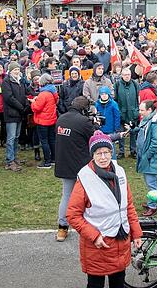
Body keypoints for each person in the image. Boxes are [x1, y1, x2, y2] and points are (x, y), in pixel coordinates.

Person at [66, 131, 143, 288]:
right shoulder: (85, 178)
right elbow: (73, 215)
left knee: (118, 284)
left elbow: (127, 206)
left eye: (106, 152)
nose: (103, 157)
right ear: (92, 155)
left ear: (111, 152)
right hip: (98, 245)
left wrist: (136, 233)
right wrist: (94, 237)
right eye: (98, 153)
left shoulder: (120, 172)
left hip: (120, 242)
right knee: (95, 285)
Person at [54, 96, 98, 242]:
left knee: (66, 196)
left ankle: (62, 228)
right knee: (89, 195)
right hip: (81, 166)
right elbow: (93, 138)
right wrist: (95, 126)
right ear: (84, 109)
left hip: (64, 163)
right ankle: (90, 225)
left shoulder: (61, 119)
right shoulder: (83, 121)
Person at [135, 100, 157, 217]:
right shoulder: (148, 120)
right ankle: (155, 201)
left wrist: (147, 155)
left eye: (142, 110)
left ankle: (152, 207)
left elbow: (156, 142)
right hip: (150, 159)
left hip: (153, 159)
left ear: (149, 110)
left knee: (152, 183)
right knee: (153, 181)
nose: (140, 112)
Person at [1, 61, 28, 171]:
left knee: (17, 136)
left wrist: (26, 104)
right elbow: (9, 98)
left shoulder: (20, 81)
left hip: (19, 113)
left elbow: (24, 94)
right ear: (10, 71)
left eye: (18, 69)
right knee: (11, 138)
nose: (17, 71)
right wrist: (21, 107)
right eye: (15, 70)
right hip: (11, 113)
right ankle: (9, 160)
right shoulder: (6, 82)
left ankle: (14, 157)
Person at [32, 73, 59, 169]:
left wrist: (33, 102)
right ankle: (53, 159)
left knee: (44, 141)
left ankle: (47, 162)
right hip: (52, 120)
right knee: (52, 139)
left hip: (43, 121)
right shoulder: (53, 91)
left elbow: (36, 108)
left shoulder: (43, 94)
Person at [114, 67, 140, 158]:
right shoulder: (117, 85)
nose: (127, 76)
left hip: (133, 113)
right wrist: (118, 112)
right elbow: (115, 99)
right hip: (122, 113)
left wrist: (137, 110)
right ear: (122, 76)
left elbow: (138, 98)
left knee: (133, 132)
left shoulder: (135, 84)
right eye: (125, 75)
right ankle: (121, 151)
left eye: (128, 74)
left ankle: (133, 150)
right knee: (121, 133)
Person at [95, 86, 121, 157]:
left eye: (105, 94)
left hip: (110, 129)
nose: (104, 96)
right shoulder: (97, 104)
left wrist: (116, 128)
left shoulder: (113, 104)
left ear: (108, 94)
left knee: (110, 146)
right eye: (102, 94)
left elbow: (117, 116)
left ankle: (113, 159)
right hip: (100, 129)